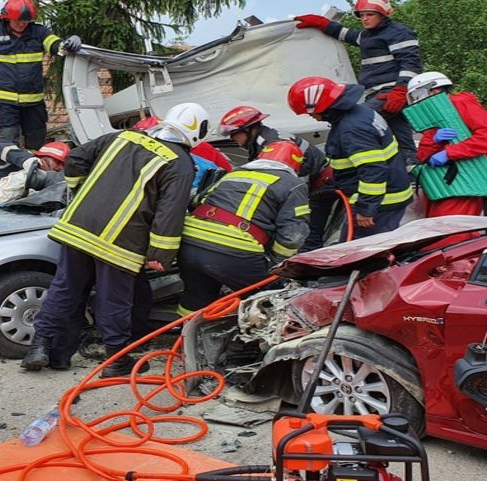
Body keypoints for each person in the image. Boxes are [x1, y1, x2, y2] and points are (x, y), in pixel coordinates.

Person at [21, 102, 208, 375]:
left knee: (65, 290)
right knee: (115, 300)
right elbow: (169, 214)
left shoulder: (122, 137)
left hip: (77, 229)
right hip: (120, 243)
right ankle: (117, 360)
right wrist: (160, 256)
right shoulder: (180, 164)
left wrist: (81, 190)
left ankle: (39, 347)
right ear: (197, 132)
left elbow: (73, 160)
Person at [176, 140, 310, 317]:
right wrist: (276, 266)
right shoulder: (293, 183)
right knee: (269, 297)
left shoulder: (235, 174)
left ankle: (184, 336)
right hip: (233, 251)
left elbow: (197, 201)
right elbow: (293, 235)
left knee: (197, 295)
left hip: (189, 244)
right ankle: (264, 339)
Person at [294, 0, 421, 166]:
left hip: (390, 94)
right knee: (401, 140)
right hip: (380, 95)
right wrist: (321, 24)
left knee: (352, 120)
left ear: (383, 14)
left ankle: (338, 166)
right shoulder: (367, 36)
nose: (365, 19)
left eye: (370, 14)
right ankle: (414, 174)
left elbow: (411, 64)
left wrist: (400, 91)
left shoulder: (399, 32)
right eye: (362, 15)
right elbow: (346, 34)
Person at [287, 77, 413, 239]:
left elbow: (373, 169)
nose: (312, 117)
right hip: (386, 196)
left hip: (381, 204)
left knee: (361, 256)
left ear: (321, 105)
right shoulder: (360, 112)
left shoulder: (352, 130)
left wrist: (366, 210)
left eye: (310, 112)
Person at [0, 0, 83, 149]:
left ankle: (36, 169)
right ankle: (7, 171)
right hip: (3, 102)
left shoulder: (38, 32)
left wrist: (69, 43)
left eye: (26, 21)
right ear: (7, 18)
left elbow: (56, 46)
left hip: (33, 101)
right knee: (7, 140)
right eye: (18, 21)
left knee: (38, 140)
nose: (22, 24)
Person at [217, 105, 331, 251]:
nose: (232, 139)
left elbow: (289, 185)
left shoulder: (275, 145)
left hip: (319, 188)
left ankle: (309, 266)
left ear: (248, 129)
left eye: (234, 134)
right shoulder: (263, 140)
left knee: (305, 235)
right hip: (307, 184)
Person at [407, 71, 487, 217]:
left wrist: (450, 152)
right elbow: (422, 155)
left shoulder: (461, 103)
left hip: (466, 180)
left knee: (454, 234)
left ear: (435, 90)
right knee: (441, 230)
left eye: (419, 95)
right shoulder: (435, 114)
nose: (418, 100)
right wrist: (434, 141)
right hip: (443, 184)